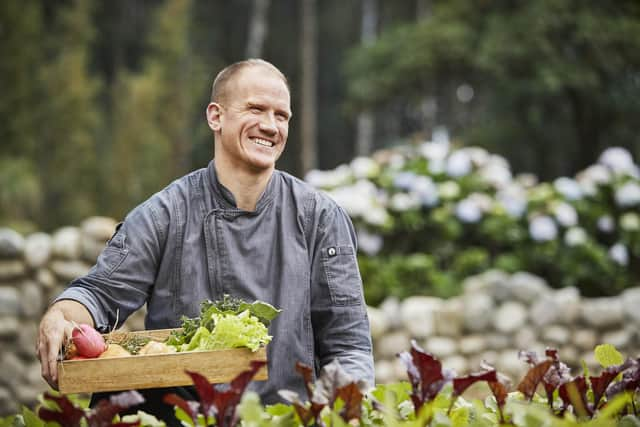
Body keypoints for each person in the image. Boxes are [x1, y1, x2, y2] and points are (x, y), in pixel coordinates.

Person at [36, 59, 374, 422]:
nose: (270, 126)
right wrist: (60, 315)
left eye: (282, 115)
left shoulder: (321, 218)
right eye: (256, 109)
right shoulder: (165, 214)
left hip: (286, 418)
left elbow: (348, 345)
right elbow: (99, 294)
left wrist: (342, 410)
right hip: (183, 417)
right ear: (216, 116)